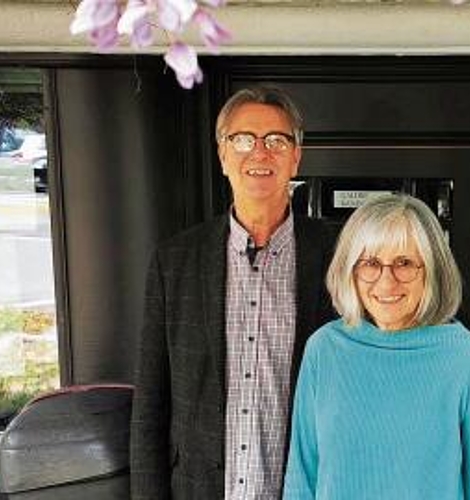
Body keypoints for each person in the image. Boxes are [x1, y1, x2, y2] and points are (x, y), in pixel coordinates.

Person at [130, 85, 338, 500]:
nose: (259, 153)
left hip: (308, 489)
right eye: (243, 139)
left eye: (277, 140)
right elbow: (151, 405)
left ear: (296, 155)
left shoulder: (339, 256)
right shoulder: (175, 262)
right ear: (223, 155)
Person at [282, 194, 470, 499]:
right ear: (350, 270)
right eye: (371, 263)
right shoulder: (324, 350)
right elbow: (301, 477)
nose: (386, 283)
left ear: (431, 270)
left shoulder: (469, 360)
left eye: (404, 263)